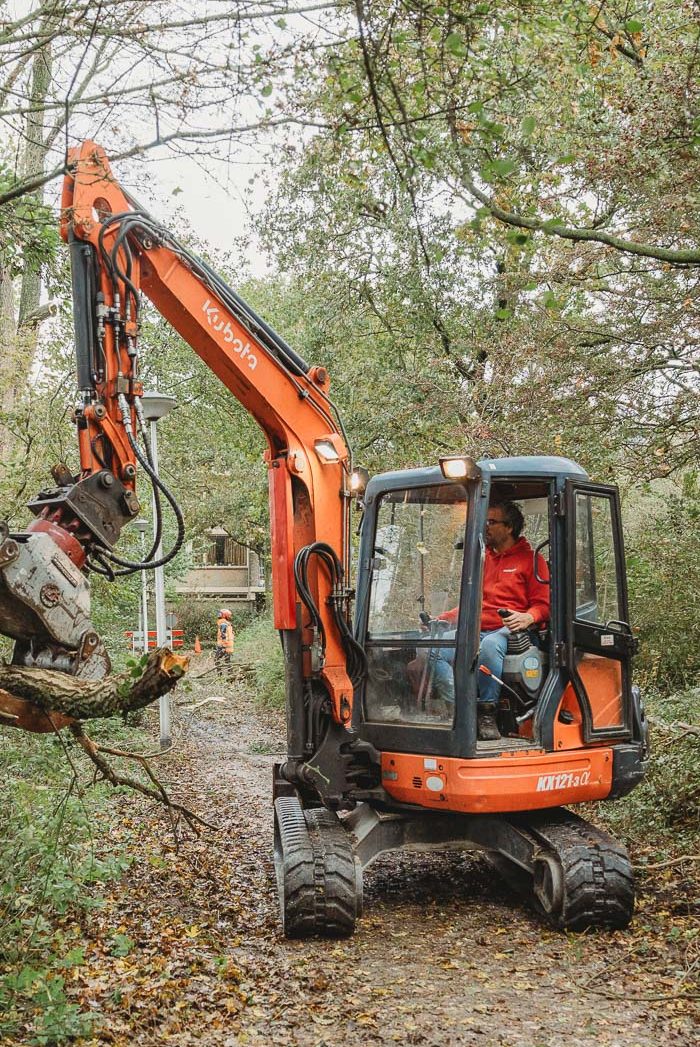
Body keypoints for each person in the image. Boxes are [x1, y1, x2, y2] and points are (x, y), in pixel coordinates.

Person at [427, 501, 550, 741]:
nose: (486, 527)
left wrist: (528, 617)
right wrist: (440, 620)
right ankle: (462, 709)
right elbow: (472, 605)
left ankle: (487, 714)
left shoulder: (532, 561)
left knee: (490, 646)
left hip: (513, 633)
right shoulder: (485, 561)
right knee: (433, 648)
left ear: (510, 527)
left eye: (492, 522)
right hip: (478, 629)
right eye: (485, 521)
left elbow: (545, 606)